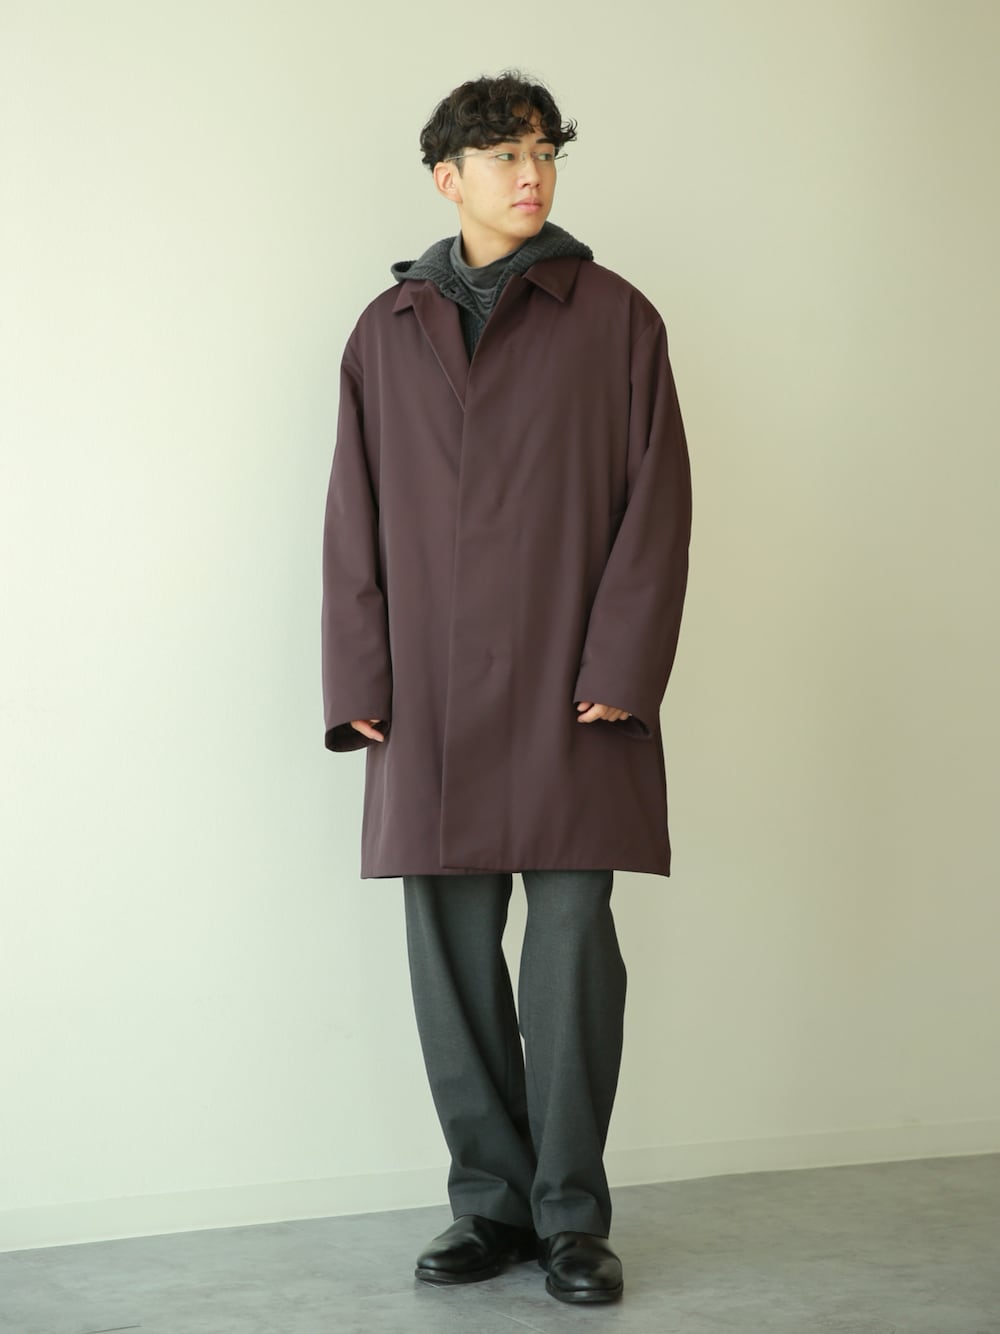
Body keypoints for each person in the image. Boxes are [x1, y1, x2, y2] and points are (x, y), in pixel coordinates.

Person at [321, 70, 692, 1306]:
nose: (530, 175)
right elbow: (352, 513)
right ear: (448, 178)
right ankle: (488, 1201)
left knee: (574, 954)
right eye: (503, 156)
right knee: (449, 957)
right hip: (426, 695)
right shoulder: (385, 331)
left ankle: (571, 1214)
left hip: (572, 689)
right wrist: (359, 673)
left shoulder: (616, 316)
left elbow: (658, 503)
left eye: (544, 153)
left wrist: (622, 666)